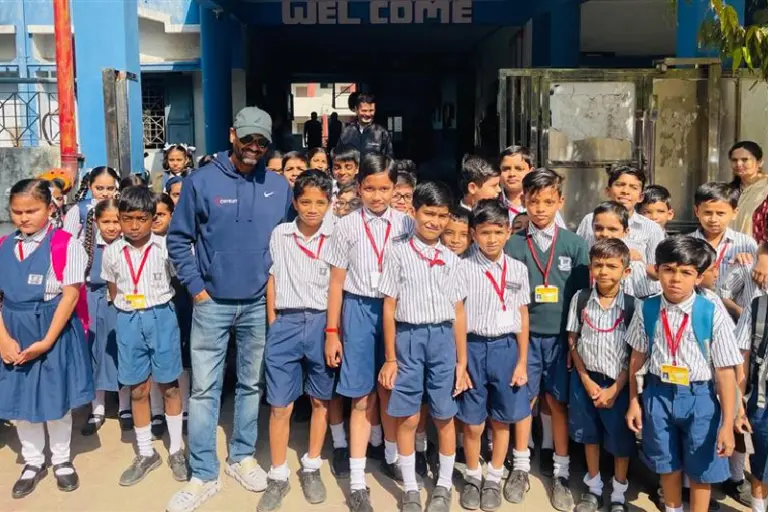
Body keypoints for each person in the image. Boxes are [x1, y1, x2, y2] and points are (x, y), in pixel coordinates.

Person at [167, 106, 293, 511]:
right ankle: (204, 473)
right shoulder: (201, 181)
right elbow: (178, 239)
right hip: (212, 302)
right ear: (233, 134)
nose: (254, 147)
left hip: (258, 302)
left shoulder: (279, 186)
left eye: (262, 141)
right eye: (248, 138)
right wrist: (197, 289)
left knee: (251, 384)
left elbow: (292, 239)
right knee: (205, 389)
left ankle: (241, 456)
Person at [323, 152, 415, 512]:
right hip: (358, 310)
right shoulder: (345, 225)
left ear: (395, 189)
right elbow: (336, 283)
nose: (377, 196)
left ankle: (392, 456)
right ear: (359, 188)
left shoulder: (406, 225)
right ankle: (358, 481)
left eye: (385, 189)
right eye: (370, 189)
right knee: (361, 396)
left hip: (397, 311)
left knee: (390, 389)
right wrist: (333, 331)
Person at [625, 236, 742, 512]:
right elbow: (637, 359)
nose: (675, 279)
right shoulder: (647, 308)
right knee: (667, 465)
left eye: (686, 272)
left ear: (699, 277)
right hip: (658, 395)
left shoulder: (711, 312)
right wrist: (633, 401)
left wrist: (727, 423)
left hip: (700, 398)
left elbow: (725, 372)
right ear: (657, 270)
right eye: (668, 270)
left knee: (701, 470)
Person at [1, 179, 93, 499]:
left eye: (32, 210)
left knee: (56, 398)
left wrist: (47, 341)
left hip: (52, 327)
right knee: (19, 400)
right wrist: (3, 340)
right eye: (17, 212)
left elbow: (70, 296)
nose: (24, 217)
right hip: (13, 329)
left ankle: (61, 459)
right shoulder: (4, 246)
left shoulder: (65, 244)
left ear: (49, 208)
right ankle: (33, 460)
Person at [378, 181, 467, 512]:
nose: (435, 221)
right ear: (414, 212)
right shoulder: (397, 252)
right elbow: (389, 305)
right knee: (408, 416)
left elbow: (459, 311)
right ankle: (411, 487)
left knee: (444, 415)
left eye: (442, 215)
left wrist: (461, 362)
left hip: (443, 340)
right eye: (429, 213)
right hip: (409, 339)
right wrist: (391, 358)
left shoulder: (452, 259)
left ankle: (443, 485)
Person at [504, 168, 590, 510]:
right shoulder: (513, 243)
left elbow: (582, 298)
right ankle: (520, 466)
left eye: (548, 202)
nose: (540, 209)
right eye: (534, 201)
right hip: (523, 337)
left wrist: (574, 342)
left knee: (556, 403)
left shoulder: (575, 244)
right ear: (524, 201)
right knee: (523, 401)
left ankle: (561, 472)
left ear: (560, 202)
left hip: (560, 339)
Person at [259, 170, 336, 511]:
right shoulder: (281, 234)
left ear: (329, 203)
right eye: (305, 202)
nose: (312, 209)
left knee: (320, 400)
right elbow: (272, 278)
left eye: (320, 202)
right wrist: (273, 321)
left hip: (321, 322)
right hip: (286, 322)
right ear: (294, 202)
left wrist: (333, 331)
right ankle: (278, 474)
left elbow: (337, 286)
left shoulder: (335, 237)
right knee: (280, 405)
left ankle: (312, 465)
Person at [100, 186, 187, 487]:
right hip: (128, 318)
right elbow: (113, 289)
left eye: (141, 219)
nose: (134, 226)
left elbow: (179, 278)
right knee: (137, 389)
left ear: (153, 218)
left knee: (169, 386)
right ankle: (146, 452)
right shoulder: (112, 252)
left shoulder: (165, 248)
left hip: (161, 316)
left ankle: (176, 449)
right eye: (127, 219)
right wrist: (127, 310)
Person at [454, 200, 531, 512]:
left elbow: (522, 315)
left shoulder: (518, 269)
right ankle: (473, 475)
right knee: (473, 423)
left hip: (506, 349)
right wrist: (461, 362)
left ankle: (494, 477)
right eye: (485, 232)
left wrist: (522, 361)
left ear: (508, 232)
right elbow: (458, 316)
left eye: (498, 232)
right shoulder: (462, 267)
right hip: (472, 347)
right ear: (473, 234)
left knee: (502, 419)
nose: (492, 239)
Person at [566, 238, 637, 512]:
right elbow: (573, 340)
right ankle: (593, 487)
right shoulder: (581, 299)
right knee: (590, 435)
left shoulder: (632, 306)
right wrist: (585, 379)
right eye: (598, 265)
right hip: (586, 381)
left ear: (625, 271)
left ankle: (618, 494)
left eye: (611, 266)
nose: (604, 271)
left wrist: (616, 388)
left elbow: (635, 354)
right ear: (591, 268)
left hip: (617, 384)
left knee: (620, 440)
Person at [81, 198, 133, 436]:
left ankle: (125, 407)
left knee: (120, 352)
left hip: (121, 303)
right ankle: (97, 408)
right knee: (95, 353)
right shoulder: (87, 247)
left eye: (116, 221)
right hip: (93, 303)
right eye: (106, 222)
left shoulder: (129, 245)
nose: (112, 227)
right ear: (96, 222)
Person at [577, 166, 666, 269]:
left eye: (633, 187)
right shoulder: (589, 220)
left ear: (640, 197)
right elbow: (578, 257)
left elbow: (659, 271)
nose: (625, 191)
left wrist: (638, 262)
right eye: (619, 185)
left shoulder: (652, 228)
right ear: (608, 191)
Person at [734, 292, 768, 512]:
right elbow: (741, 360)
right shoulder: (757, 308)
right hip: (762, 398)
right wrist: (739, 407)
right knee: (762, 458)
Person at [691, 182, 757, 290]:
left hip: (734, 300)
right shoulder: (685, 243)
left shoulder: (746, 244)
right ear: (697, 211)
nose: (713, 219)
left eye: (720, 213)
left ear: (734, 213)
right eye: (708, 213)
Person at [591, 201, 661, 299]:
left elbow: (647, 297)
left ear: (626, 231)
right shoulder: (589, 259)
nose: (605, 234)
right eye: (599, 228)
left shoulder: (634, 264)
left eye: (612, 229)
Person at [498, 146, 566, 228]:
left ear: (531, 171)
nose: (512, 174)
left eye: (519, 169)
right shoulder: (492, 202)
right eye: (506, 169)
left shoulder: (546, 206)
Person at [64, 166, 121, 240]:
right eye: (99, 188)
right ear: (90, 186)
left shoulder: (122, 209)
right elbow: (65, 241)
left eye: (110, 188)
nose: (105, 193)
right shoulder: (78, 210)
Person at [729, 141, 768, 240]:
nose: (738, 164)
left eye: (745, 159)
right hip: (730, 247)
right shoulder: (728, 191)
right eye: (734, 160)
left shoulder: (765, 187)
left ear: (759, 162)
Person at [335, 93, 394, 158]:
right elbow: (338, 157)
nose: (368, 114)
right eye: (364, 110)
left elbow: (389, 159)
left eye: (371, 110)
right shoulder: (347, 132)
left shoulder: (382, 133)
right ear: (356, 109)